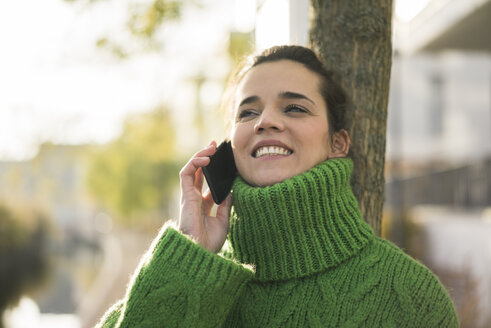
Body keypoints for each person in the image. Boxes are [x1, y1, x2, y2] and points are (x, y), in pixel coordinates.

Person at [96, 45, 459, 327]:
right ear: (228, 145)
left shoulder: (411, 296)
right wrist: (193, 255)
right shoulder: (181, 276)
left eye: (295, 108)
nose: (266, 121)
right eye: (248, 112)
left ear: (338, 143)